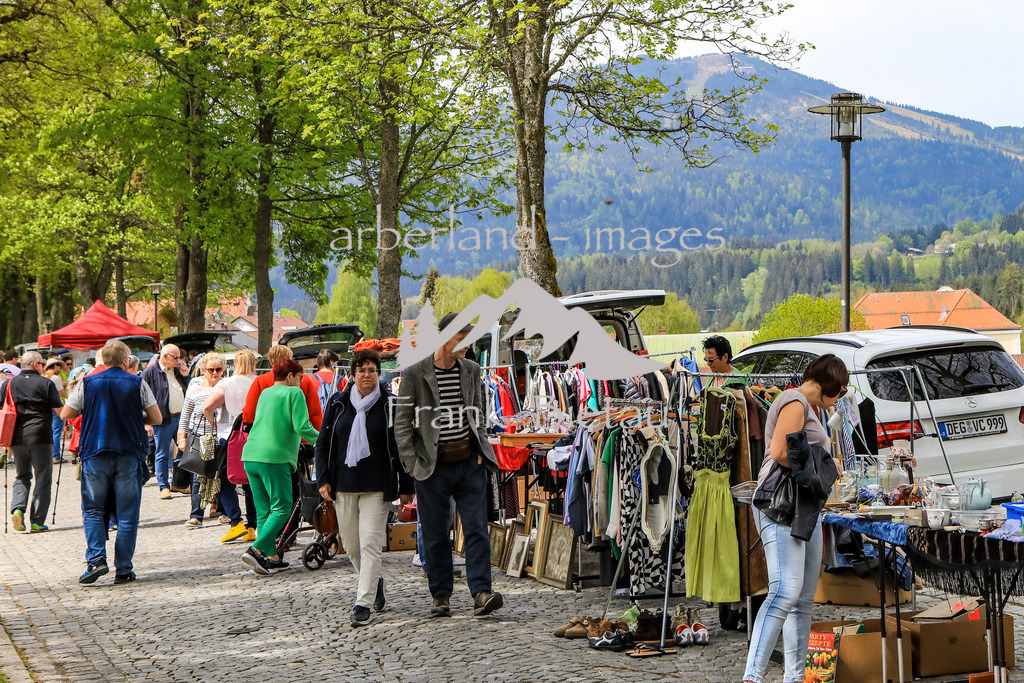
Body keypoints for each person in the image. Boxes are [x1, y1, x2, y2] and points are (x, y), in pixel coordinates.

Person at [742, 354, 848, 683]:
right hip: (783, 506)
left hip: (805, 509)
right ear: (830, 385)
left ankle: (795, 677)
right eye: (841, 390)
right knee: (784, 592)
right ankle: (753, 677)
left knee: (801, 599)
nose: (841, 397)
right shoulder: (795, 401)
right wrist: (821, 468)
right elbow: (779, 452)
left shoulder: (810, 408)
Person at [395, 312, 503, 618]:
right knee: (435, 533)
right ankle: (440, 595)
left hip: (469, 464)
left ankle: (481, 592)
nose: (468, 345)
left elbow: (479, 413)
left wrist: (481, 451)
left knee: (476, 529)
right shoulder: (415, 373)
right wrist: (412, 464)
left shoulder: (471, 370)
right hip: (431, 468)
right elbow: (401, 424)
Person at [315, 349, 414, 627]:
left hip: (377, 486)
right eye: (361, 370)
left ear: (379, 374)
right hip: (343, 484)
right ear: (353, 374)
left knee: (370, 543)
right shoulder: (338, 403)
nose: (367, 375)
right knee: (351, 545)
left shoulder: (390, 404)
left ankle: (363, 602)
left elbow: (402, 447)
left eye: (372, 370)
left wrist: (406, 485)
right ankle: (374, 581)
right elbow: (322, 445)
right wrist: (322, 479)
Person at [61, 340, 162, 584]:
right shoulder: (137, 382)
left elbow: (66, 414)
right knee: (127, 515)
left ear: (103, 361)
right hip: (129, 452)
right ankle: (124, 569)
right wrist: (137, 413)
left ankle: (96, 561)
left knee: (93, 510)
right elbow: (157, 418)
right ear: (127, 360)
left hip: (95, 451)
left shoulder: (87, 382)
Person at [240, 359, 318, 576]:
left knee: (265, 510)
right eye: (300, 376)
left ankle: (271, 557)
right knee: (283, 507)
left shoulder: (266, 392)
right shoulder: (295, 394)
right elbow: (302, 426)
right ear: (291, 376)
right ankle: (256, 551)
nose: (301, 381)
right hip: (275, 457)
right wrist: (323, 441)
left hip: (251, 455)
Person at [177, 353, 241, 533]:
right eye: (210, 369)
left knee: (223, 477)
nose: (214, 373)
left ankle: (223, 511)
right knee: (199, 477)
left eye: (218, 369)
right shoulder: (195, 390)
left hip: (223, 439)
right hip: (200, 438)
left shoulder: (227, 388)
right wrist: (182, 438)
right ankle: (196, 515)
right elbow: (185, 416)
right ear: (203, 369)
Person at [5, 351, 64, 532]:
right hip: (41, 436)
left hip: (17, 437)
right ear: (36, 365)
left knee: (22, 476)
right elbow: (60, 411)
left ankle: (17, 509)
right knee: (43, 478)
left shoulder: (10, 383)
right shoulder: (46, 383)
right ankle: (37, 522)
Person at [204, 349, 258, 543]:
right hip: (255, 435)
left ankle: (236, 522)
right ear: (254, 364)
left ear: (235, 364)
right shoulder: (259, 383)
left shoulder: (226, 383)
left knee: (224, 479)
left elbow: (208, 406)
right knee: (251, 481)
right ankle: (252, 525)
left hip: (229, 436)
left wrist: (214, 424)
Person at [141, 344, 190, 499]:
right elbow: (142, 397)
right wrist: (147, 421)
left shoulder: (177, 371)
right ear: (165, 356)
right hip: (163, 419)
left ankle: (180, 482)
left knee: (185, 450)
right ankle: (164, 486)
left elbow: (189, 391)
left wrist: (186, 375)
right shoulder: (150, 372)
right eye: (175, 358)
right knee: (162, 453)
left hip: (181, 417)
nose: (178, 361)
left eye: (179, 358)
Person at [241, 345, 322, 432]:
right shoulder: (304, 379)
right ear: (290, 360)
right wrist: (319, 436)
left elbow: (249, 415)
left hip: (267, 434)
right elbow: (315, 413)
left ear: (271, 362)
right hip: (299, 437)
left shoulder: (260, 381)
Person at [43, 358, 67, 464]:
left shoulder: (42, 376)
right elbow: (61, 393)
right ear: (55, 366)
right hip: (56, 405)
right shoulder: (55, 378)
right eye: (59, 367)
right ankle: (56, 455)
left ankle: (48, 454)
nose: (60, 369)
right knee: (57, 430)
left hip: (45, 406)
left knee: (48, 430)